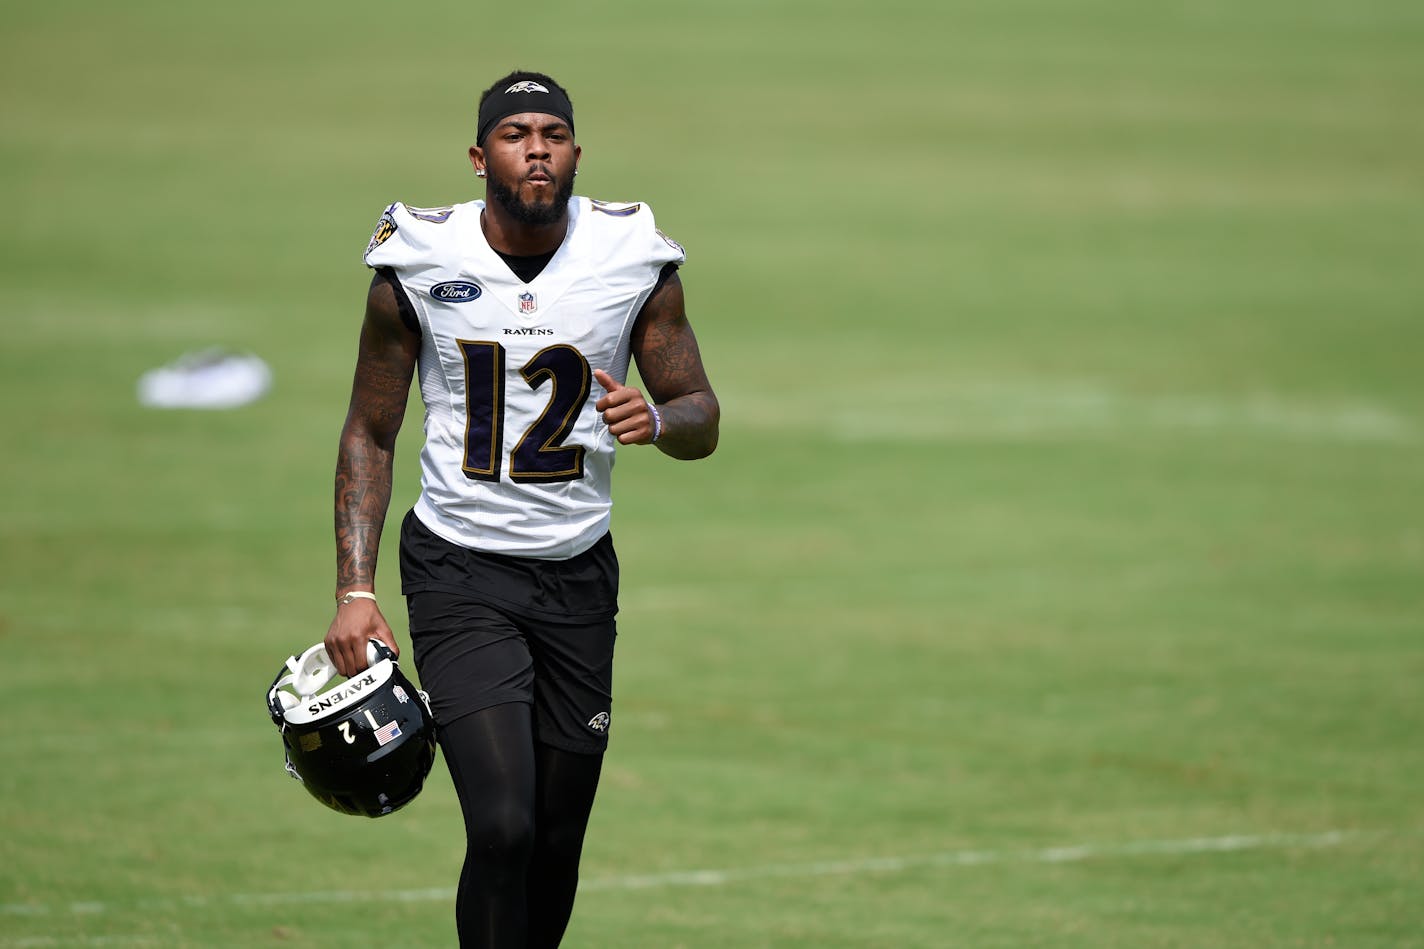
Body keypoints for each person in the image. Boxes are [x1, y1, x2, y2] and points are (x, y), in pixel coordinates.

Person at [322, 70, 719, 947]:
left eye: (552, 132)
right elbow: (370, 431)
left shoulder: (632, 257)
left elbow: (702, 416)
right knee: (501, 825)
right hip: (460, 570)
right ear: (478, 156)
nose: (535, 148)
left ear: (577, 152)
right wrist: (356, 587)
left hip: (578, 577)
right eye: (514, 133)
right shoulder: (418, 261)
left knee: (554, 841)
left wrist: (654, 417)